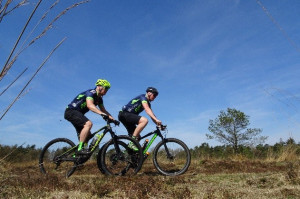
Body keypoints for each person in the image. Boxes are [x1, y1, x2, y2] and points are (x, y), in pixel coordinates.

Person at [64, 79, 116, 154]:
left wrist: (113, 119)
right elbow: (90, 105)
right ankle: (80, 149)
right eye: (106, 88)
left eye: (107, 90)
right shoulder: (91, 92)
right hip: (71, 111)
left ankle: (79, 157)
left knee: (87, 136)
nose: (106, 91)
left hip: (78, 114)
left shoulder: (99, 99)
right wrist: (102, 114)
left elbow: (104, 110)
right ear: (100, 87)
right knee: (88, 124)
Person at [118, 87, 162, 151]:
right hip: (124, 114)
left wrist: (159, 124)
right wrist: (156, 120)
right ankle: (132, 143)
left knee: (138, 138)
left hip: (127, 117)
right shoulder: (143, 97)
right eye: (154, 95)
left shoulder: (148, 103)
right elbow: (147, 110)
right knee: (144, 120)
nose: (154, 98)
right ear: (149, 93)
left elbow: (152, 115)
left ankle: (131, 155)